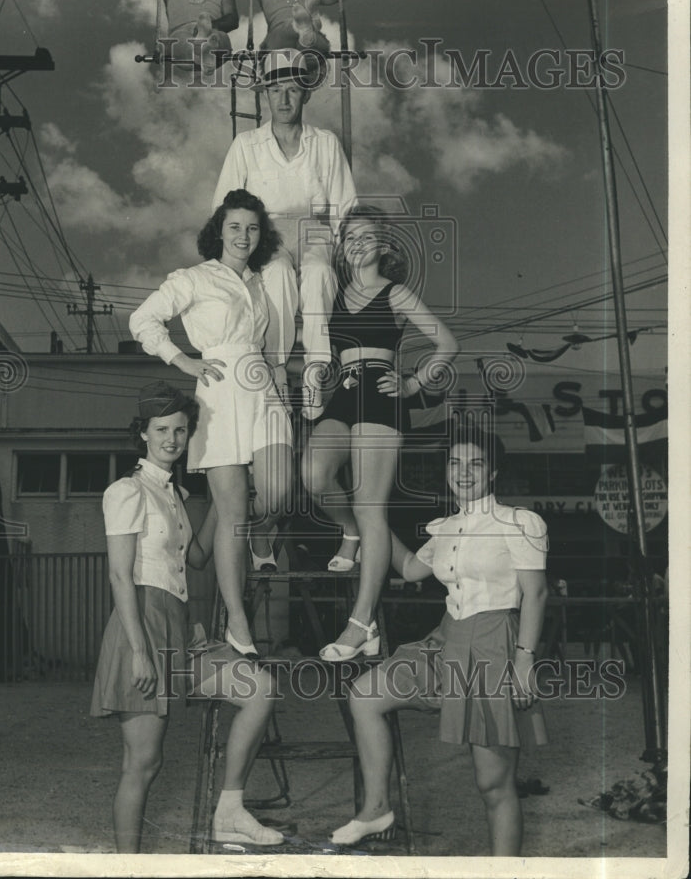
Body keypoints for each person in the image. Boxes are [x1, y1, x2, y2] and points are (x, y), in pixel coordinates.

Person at [328, 427, 549, 855]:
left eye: (475, 463)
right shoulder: (447, 527)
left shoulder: (519, 522)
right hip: (446, 639)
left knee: (492, 783)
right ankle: (376, 808)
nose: (463, 472)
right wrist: (370, 517)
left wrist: (524, 661)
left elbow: (536, 594)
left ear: (494, 471)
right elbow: (410, 568)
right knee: (366, 696)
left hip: (494, 645)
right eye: (455, 462)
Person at [90, 382, 283, 851]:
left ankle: (229, 811)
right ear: (144, 434)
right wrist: (139, 652)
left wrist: (224, 493)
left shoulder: (174, 494)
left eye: (180, 430)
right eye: (162, 430)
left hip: (179, 630)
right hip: (142, 629)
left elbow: (197, 557)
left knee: (259, 690)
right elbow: (119, 577)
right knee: (144, 763)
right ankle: (128, 866)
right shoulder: (126, 491)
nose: (172, 439)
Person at [129, 190, 292, 654]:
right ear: (219, 230)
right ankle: (237, 623)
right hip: (219, 393)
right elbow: (143, 320)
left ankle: (266, 532)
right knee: (233, 517)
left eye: (252, 227)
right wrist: (182, 361)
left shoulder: (262, 282)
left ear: (261, 235)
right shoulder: (195, 278)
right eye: (235, 226)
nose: (243, 235)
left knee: (280, 488)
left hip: (263, 385)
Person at [301, 205, 459, 660]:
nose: (357, 244)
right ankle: (349, 531)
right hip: (343, 394)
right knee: (313, 475)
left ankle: (361, 621)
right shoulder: (332, 293)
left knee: (373, 505)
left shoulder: (395, 293)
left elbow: (447, 344)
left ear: (384, 246)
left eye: (366, 237)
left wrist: (412, 383)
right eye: (350, 238)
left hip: (380, 395)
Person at [212, 50, 357, 424]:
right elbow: (223, 208)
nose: (284, 99)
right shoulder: (246, 145)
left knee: (319, 274)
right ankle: (275, 371)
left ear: (306, 94)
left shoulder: (325, 143)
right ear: (265, 94)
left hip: (314, 228)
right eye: (276, 90)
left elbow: (345, 206)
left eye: (293, 90)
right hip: (265, 230)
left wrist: (353, 257)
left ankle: (315, 375)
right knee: (276, 276)